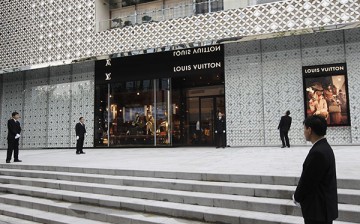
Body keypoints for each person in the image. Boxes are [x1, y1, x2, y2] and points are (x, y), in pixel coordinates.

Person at [293, 115, 338, 224]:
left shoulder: (318, 152)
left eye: (304, 128)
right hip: (323, 209)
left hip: (318, 212)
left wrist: (297, 197)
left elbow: (308, 181)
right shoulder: (324, 147)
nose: (304, 132)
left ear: (309, 130)